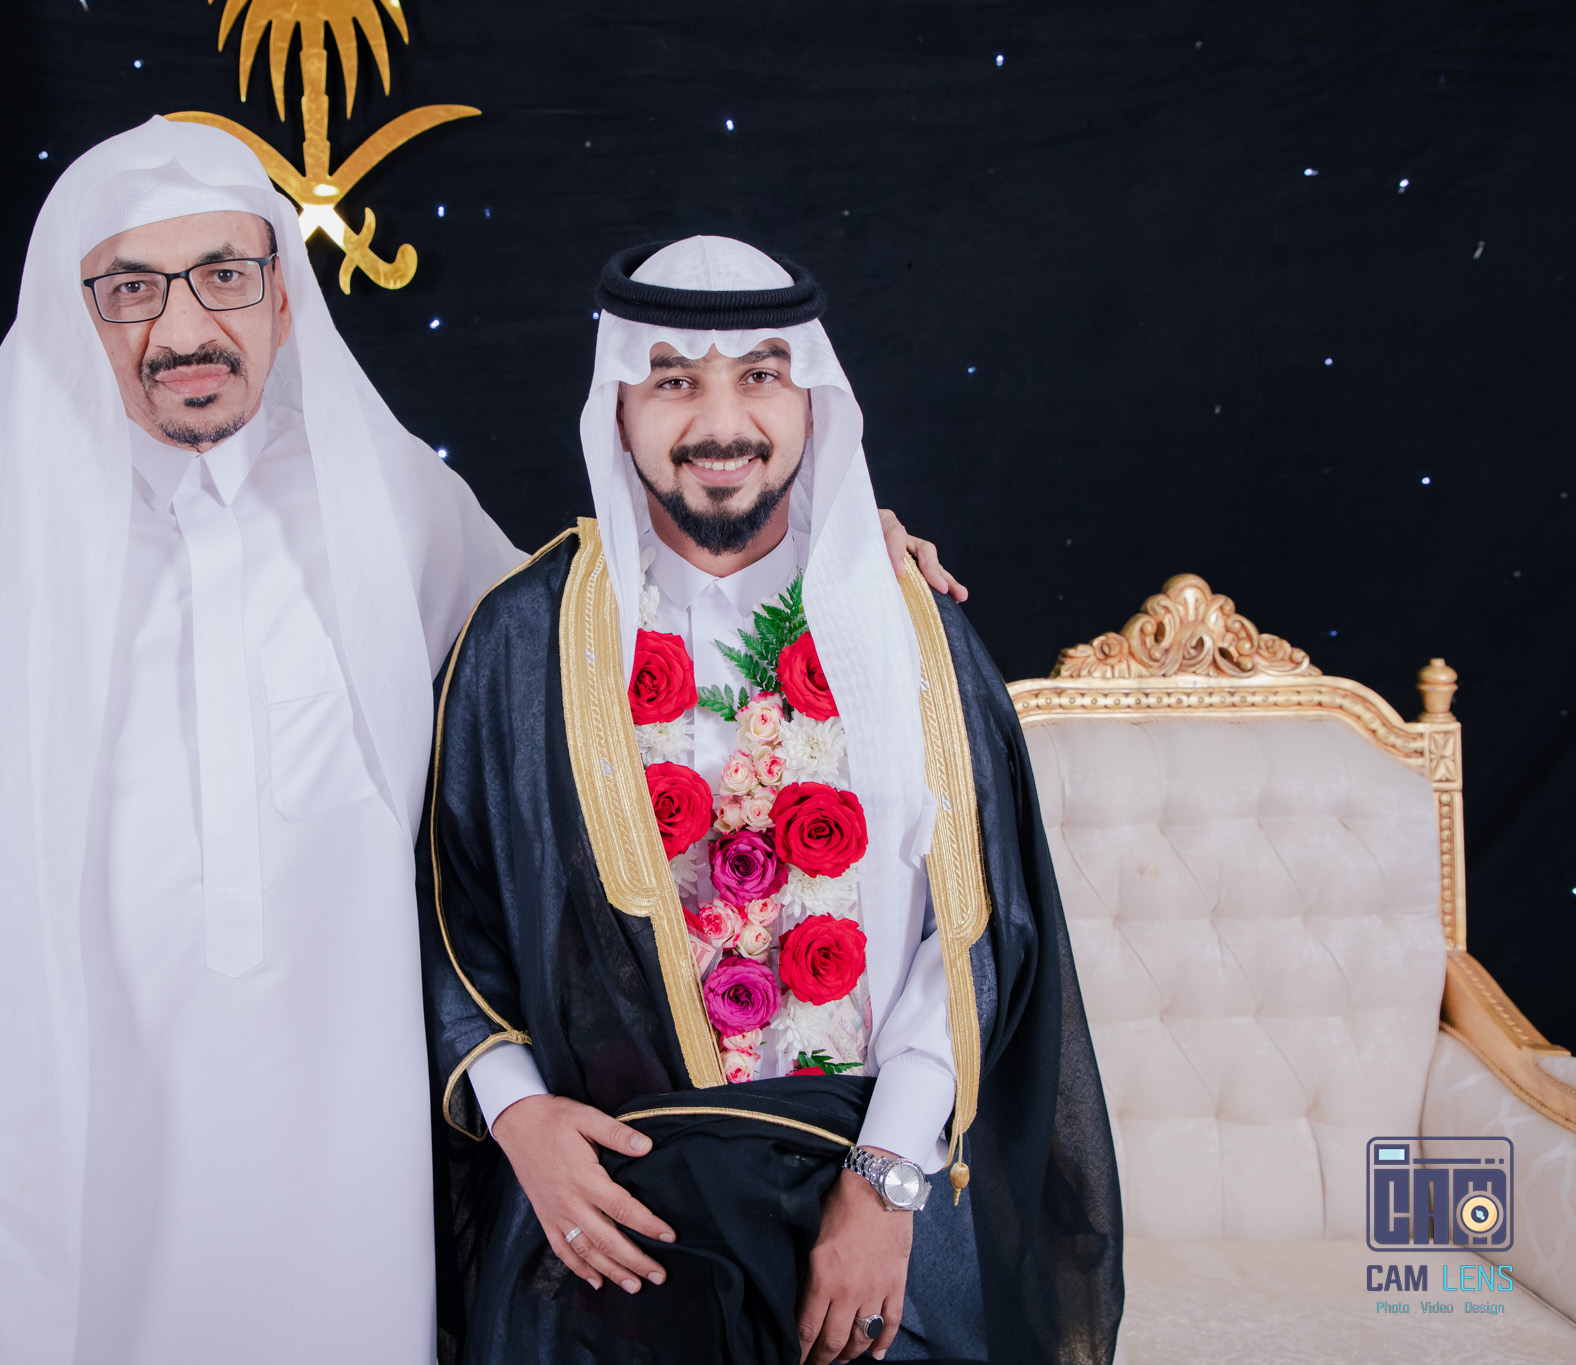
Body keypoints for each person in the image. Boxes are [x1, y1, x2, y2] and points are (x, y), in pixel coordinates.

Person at [0, 120, 956, 1363]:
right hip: (67, 1136)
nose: (183, 328)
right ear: (81, 317)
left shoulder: (381, 497)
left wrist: (831, 546)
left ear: (282, 296)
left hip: (341, 1148)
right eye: (131, 290)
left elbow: (591, 634)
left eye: (223, 275)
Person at [419, 237, 1122, 1365]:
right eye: (672, 381)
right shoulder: (522, 639)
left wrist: (885, 1184)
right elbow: (451, 927)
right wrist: (522, 1120)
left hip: (866, 1187)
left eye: (759, 375)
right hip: (611, 1206)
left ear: (811, 401)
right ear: (618, 408)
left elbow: (976, 936)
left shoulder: (909, 631)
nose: (719, 423)